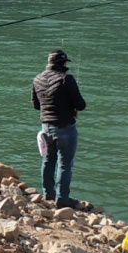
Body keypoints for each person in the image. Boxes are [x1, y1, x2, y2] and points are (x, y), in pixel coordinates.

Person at [32, 49, 86, 206]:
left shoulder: (37, 79)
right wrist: (74, 90)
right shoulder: (66, 79)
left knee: (48, 160)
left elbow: (36, 105)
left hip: (45, 127)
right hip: (65, 128)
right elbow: (80, 105)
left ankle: (48, 194)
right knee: (65, 163)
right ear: (63, 63)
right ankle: (62, 199)